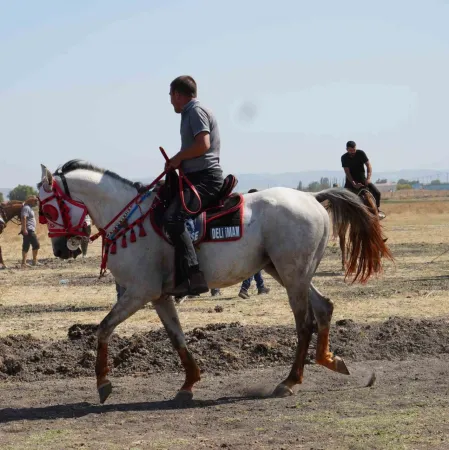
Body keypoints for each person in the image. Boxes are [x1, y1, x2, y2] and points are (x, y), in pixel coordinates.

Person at [163, 75, 224, 297]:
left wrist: (178, 158)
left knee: (173, 217)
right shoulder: (190, 112)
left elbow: (203, 145)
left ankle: (193, 274)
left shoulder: (195, 111)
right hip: (197, 176)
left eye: (170, 95)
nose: (170, 100)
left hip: (205, 179)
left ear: (178, 94)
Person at [238, 189, 270, 299]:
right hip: (252, 244)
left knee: (256, 267)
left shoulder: (246, 211)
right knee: (253, 266)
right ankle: (244, 288)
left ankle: (261, 287)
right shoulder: (252, 213)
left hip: (247, 243)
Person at [341, 141, 382, 214]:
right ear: (347, 149)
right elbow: (347, 172)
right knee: (343, 198)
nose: (353, 152)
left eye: (354, 150)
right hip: (350, 181)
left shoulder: (361, 153)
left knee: (377, 193)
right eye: (351, 150)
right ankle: (343, 215)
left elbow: (368, 165)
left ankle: (377, 211)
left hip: (363, 179)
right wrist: (354, 184)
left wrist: (368, 178)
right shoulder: (344, 158)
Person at [20, 195, 41, 268]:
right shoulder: (26, 208)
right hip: (29, 230)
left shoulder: (29, 208)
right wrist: (24, 229)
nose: (36, 202)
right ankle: (34, 261)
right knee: (36, 245)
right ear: (30, 200)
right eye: (35, 200)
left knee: (26, 246)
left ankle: (23, 263)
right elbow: (23, 217)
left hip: (29, 230)